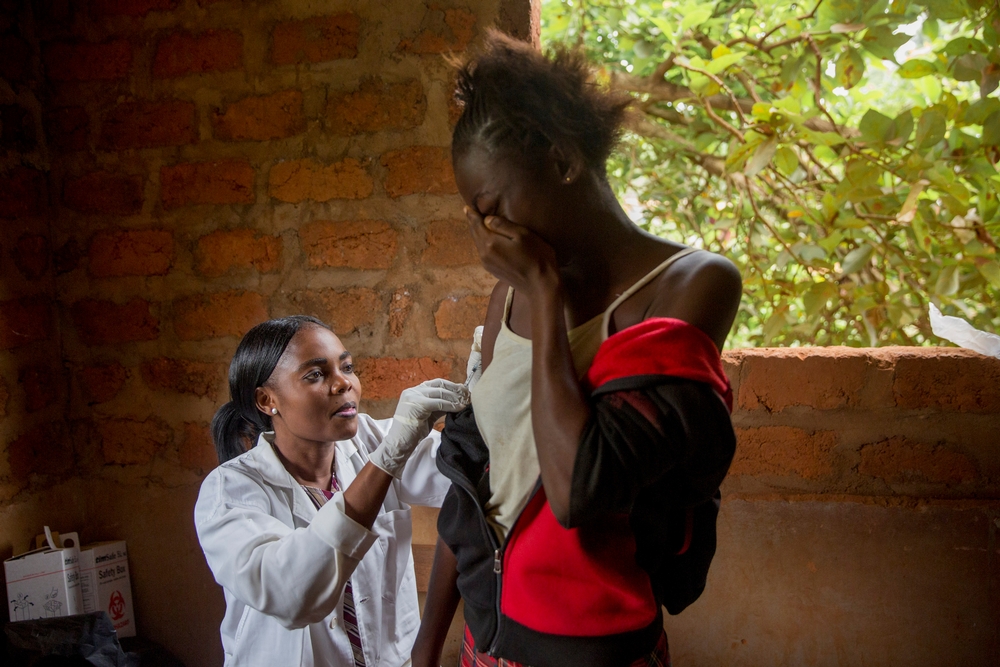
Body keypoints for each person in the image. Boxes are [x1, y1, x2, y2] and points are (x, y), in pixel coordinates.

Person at [412, 32, 741, 667]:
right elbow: (476, 484)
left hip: (595, 650)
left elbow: (578, 488)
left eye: (492, 208)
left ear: (563, 161)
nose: (488, 239)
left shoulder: (692, 284)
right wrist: (428, 646)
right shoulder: (507, 300)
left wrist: (543, 287)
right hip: (488, 639)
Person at [194, 315, 469, 667]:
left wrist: (483, 388)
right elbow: (294, 594)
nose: (344, 384)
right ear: (266, 400)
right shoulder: (229, 491)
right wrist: (385, 462)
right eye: (316, 374)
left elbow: (465, 473)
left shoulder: (374, 441)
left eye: (347, 367)